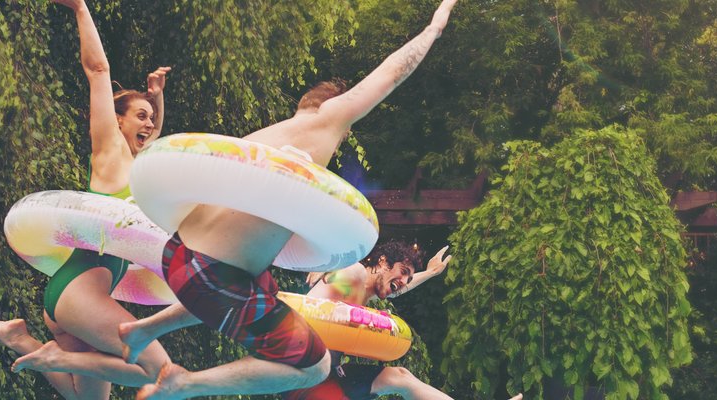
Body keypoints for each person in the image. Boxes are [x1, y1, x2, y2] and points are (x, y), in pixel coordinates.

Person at [114, 1, 461, 399]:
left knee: (265, 286)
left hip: (179, 256)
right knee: (315, 367)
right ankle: (185, 383)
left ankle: (145, 329)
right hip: (213, 275)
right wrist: (436, 24)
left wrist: (427, 274)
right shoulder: (327, 122)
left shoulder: (267, 140)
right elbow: (389, 74)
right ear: (330, 106)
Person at [0, 0, 173, 398]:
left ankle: (20, 339)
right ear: (118, 121)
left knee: (88, 398)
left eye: (151, 118)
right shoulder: (110, 149)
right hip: (80, 293)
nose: (149, 123)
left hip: (82, 295)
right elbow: (98, 71)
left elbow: (155, 137)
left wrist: (156, 98)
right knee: (159, 371)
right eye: (141, 116)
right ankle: (54, 357)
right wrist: (79, 8)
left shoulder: (139, 165)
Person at [288, 242, 520, 400]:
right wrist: (328, 266)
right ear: (382, 261)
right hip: (307, 375)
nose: (403, 281)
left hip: (331, 371)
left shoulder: (367, 291)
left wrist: (429, 273)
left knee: (399, 377)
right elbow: (308, 314)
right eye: (402, 271)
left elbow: (397, 288)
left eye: (407, 278)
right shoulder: (354, 274)